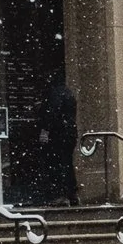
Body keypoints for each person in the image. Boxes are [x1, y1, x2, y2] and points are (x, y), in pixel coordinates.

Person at [39, 77, 81, 206]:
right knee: (67, 163)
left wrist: (45, 129)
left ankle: (61, 195)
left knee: (57, 164)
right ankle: (71, 194)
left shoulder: (55, 93)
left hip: (58, 134)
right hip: (69, 133)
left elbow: (52, 112)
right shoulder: (68, 93)